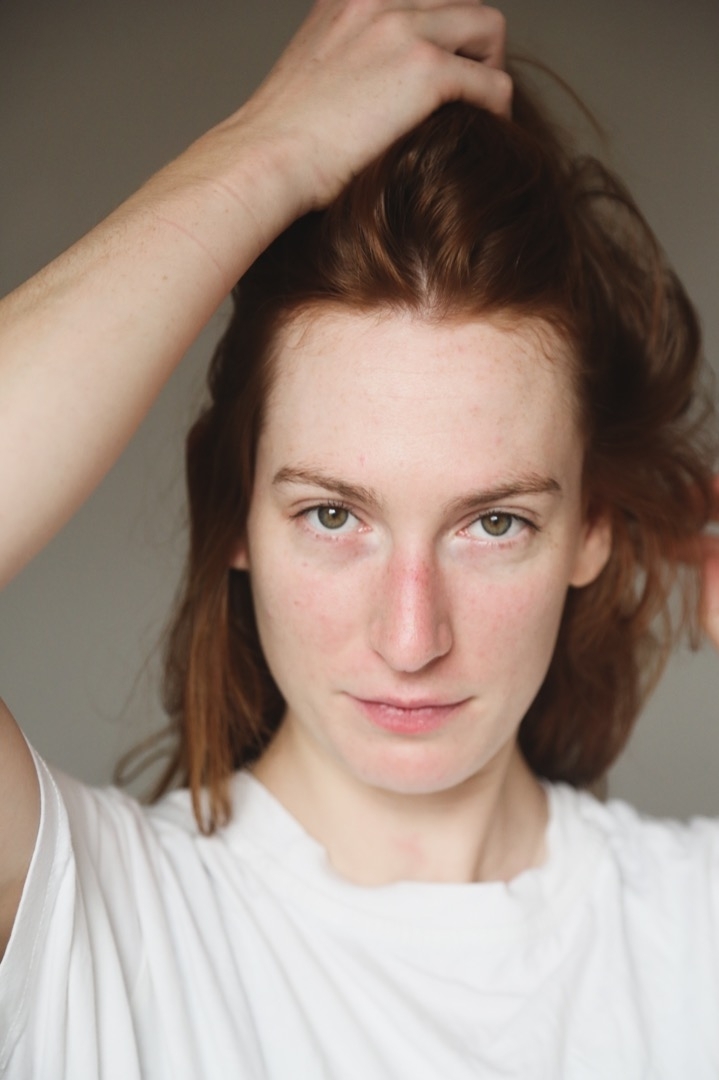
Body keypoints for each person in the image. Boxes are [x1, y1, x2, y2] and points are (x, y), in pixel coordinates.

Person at [0, 1, 717, 1076]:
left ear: (593, 528)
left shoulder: (694, 934)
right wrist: (268, 152)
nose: (410, 637)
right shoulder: (90, 925)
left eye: (493, 522)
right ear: (237, 511)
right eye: (333, 515)